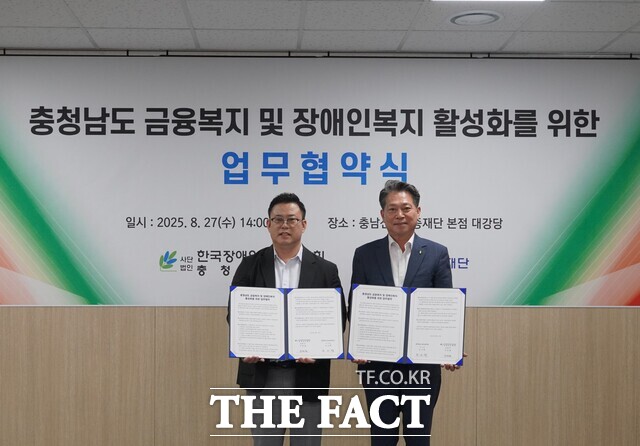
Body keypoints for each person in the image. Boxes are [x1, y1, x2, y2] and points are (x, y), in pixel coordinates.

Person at [349, 180, 461, 446]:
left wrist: (448, 348)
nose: (399, 214)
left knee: (418, 439)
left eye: (406, 208)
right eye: (392, 209)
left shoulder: (437, 253)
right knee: (381, 440)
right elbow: (357, 307)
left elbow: (444, 307)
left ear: (418, 211)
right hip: (378, 368)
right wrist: (359, 344)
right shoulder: (364, 254)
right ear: (382, 214)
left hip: (422, 369)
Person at [229, 192, 345, 446]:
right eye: (278, 219)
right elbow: (235, 315)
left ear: (304, 224)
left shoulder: (326, 270)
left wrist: (319, 350)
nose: (285, 225)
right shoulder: (249, 265)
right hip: (263, 375)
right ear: (268, 224)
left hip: (309, 375)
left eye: (292, 219)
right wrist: (246, 345)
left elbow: (338, 319)